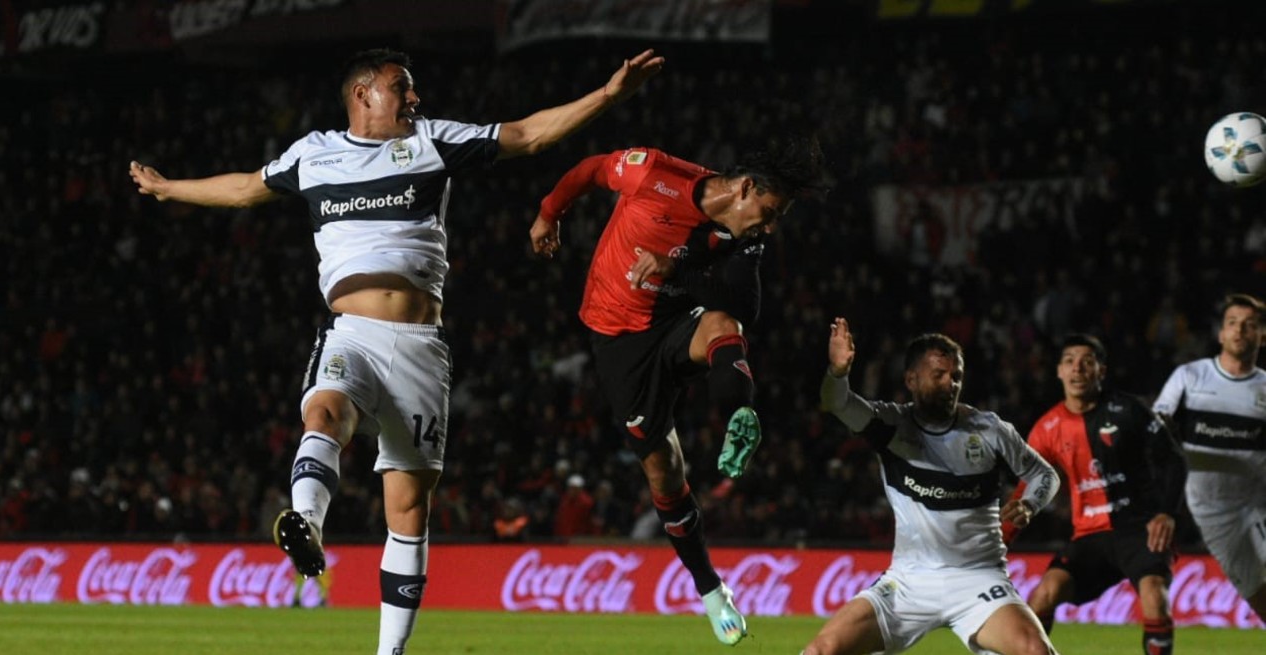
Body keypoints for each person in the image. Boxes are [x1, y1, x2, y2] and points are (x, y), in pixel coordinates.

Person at [129, 47, 664, 655]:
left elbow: (527, 136)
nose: (414, 99)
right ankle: (306, 521)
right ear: (362, 95)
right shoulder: (314, 153)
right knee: (323, 411)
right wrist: (171, 188)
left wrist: (607, 95)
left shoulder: (432, 142)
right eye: (400, 88)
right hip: (350, 332)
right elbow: (246, 189)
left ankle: (390, 653)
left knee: (408, 508)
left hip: (419, 348)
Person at [529, 134, 825, 645]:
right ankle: (710, 587)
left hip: (674, 323)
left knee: (724, 322)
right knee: (664, 472)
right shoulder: (653, 175)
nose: (771, 227)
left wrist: (679, 267)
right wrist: (549, 212)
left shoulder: (744, 237)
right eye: (770, 211)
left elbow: (745, 306)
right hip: (619, 340)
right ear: (746, 189)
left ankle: (739, 414)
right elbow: (594, 167)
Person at [809, 317, 1060, 655]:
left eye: (956, 376)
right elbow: (837, 403)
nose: (951, 384)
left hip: (978, 578)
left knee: (1035, 651)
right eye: (939, 375)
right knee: (821, 651)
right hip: (909, 582)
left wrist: (1030, 504)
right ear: (911, 379)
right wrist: (838, 373)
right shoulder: (891, 426)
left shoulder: (989, 431)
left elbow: (1046, 476)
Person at [1005, 334, 1185, 655]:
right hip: (1089, 536)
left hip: (1140, 529)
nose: (1078, 369)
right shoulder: (1047, 428)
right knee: (1044, 594)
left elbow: (1173, 460)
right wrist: (999, 544)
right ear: (1059, 371)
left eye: (1087, 361)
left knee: (1154, 596)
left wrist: (1166, 512)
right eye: (1070, 361)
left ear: (1101, 370)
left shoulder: (1129, 410)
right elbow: (1027, 493)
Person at [1153, 292, 1266, 622]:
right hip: (1212, 512)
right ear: (1221, 333)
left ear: (1262, 335)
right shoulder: (1190, 377)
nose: (1240, 330)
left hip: (1258, 501)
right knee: (1257, 594)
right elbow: (1157, 430)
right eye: (1232, 323)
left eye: (1249, 325)